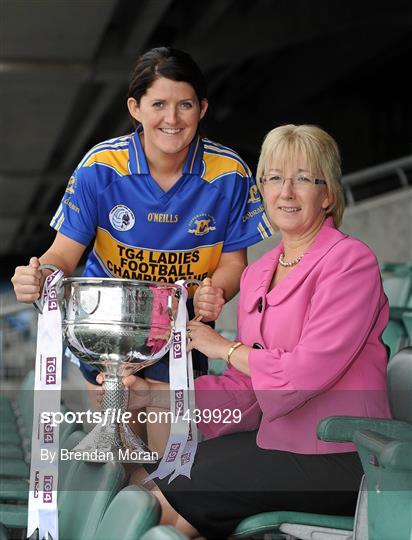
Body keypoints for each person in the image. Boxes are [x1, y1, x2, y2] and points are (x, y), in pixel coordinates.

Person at [123, 124, 391, 538]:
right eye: (274, 178)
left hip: (344, 456)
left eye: (303, 178)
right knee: (148, 489)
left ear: (328, 194)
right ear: (262, 190)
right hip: (276, 443)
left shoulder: (350, 262)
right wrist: (157, 395)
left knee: (163, 508)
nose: (286, 192)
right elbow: (247, 389)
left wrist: (226, 349)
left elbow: (304, 373)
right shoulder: (257, 274)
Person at [11, 47, 272, 452]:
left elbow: (234, 263)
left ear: (202, 108)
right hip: (106, 335)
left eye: (185, 104)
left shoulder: (231, 174)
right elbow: (63, 255)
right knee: (115, 455)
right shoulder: (101, 166)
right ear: (135, 108)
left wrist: (214, 291)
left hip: (179, 335)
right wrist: (39, 276)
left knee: (164, 468)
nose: (172, 118)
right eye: (158, 104)